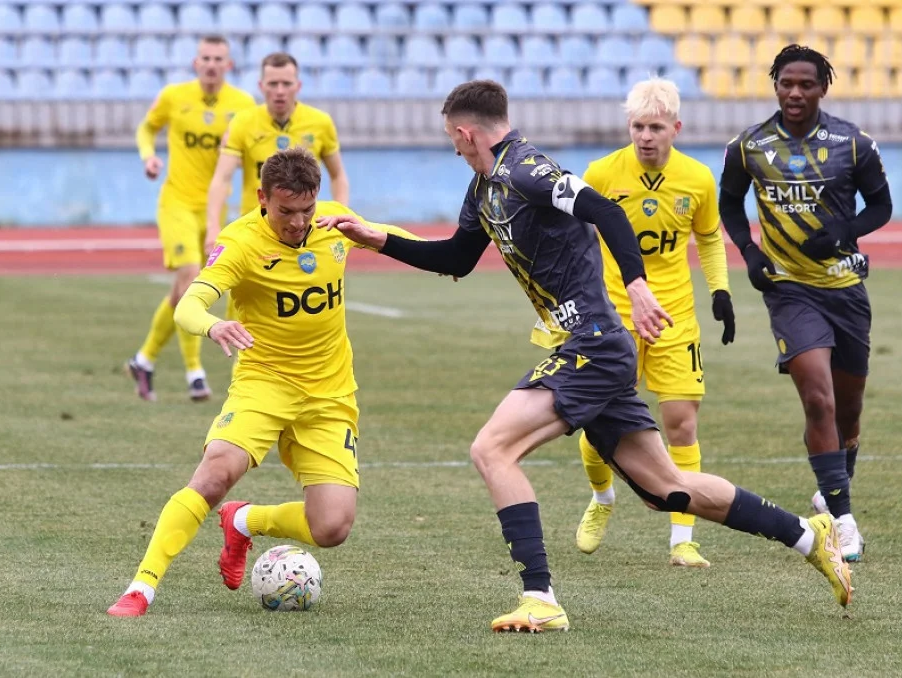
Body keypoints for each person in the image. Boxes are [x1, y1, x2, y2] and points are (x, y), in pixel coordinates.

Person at [320, 80, 853, 633]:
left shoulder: (528, 169)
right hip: (592, 347)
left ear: (464, 132)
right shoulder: (484, 187)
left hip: (593, 343)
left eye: (453, 140)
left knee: (492, 449)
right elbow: (457, 257)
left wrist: (637, 286)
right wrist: (376, 238)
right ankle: (809, 535)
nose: (454, 149)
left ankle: (540, 598)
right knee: (667, 489)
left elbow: (605, 211)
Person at [107, 147, 420, 617]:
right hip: (263, 384)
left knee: (332, 527)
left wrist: (428, 253)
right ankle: (141, 588)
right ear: (262, 199)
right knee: (214, 474)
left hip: (329, 395)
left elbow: (402, 239)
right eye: (285, 211)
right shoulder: (240, 243)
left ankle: (245, 520)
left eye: (307, 209)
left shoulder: (334, 223)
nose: (298, 222)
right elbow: (188, 305)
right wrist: (214, 325)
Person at [530, 78, 735, 567]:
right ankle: (602, 499)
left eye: (656, 128)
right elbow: (573, 235)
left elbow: (708, 238)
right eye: (638, 126)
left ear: (675, 129)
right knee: (596, 422)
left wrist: (721, 291)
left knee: (681, 422)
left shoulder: (698, 179)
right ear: (629, 126)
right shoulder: (602, 173)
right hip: (611, 317)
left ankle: (682, 539)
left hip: (673, 315)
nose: (646, 136)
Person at [719, 45, 893, 563]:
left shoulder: (853, 143)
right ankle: (842, 518)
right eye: (786, 83)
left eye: (805, 84)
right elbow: (730, 202)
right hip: (788, 290)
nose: (795, 93)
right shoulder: (749, 146)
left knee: (849, 412)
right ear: (775, 85)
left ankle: (831, 490)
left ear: (822, 88)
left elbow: (881, 206)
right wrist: (749, 252)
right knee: (818, 398)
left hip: (845, 289)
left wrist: (844, 230)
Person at [127, 35, 256, 402]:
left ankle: (144, 360)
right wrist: (148, 156)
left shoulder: (243, 105)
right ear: (195, 63)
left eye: (218, 59)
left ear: (229, 65)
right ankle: (194, 373)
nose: (212, 64)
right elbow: (146, 128)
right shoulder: (174, 96)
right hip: (177, 203)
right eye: (206, 58)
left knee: (181, 291)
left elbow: (250, 157)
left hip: (215, 210)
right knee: (190, 277)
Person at [206, 52, 349, 254]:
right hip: (255, 230)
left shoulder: (320, 123)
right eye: (273, 84)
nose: (280, 91)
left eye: (286, 83)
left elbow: (338, 175)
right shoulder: (242, 122)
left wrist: (340, 217)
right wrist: (213, 226)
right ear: (261, 86)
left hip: (302, 230)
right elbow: (222, 178)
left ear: (298, 86)